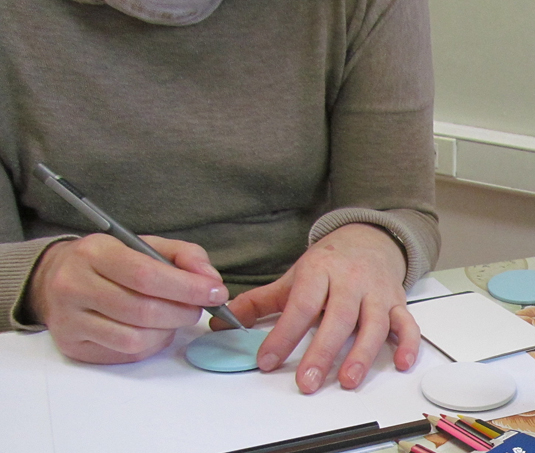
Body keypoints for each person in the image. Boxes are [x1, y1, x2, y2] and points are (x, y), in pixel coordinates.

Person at [0, 0, 439, 394]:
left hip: (303, 337)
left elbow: (400, 206)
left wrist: (372, 242)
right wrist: (39, 277)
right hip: (73, 353)